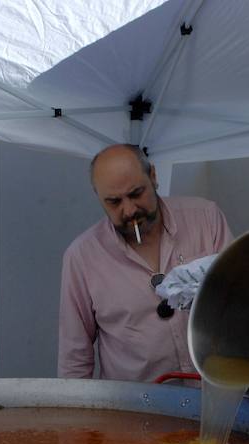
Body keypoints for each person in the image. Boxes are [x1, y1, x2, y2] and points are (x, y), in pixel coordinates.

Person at [58, 143, 233, 382]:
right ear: (98, 197)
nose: (129, 210)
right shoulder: (82, 257)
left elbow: (240, 302)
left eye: (135, 194)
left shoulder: (205, 218)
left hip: (213, 391)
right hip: (136, 406)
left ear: (153, 176)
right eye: (114, 202)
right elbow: (74, 357)